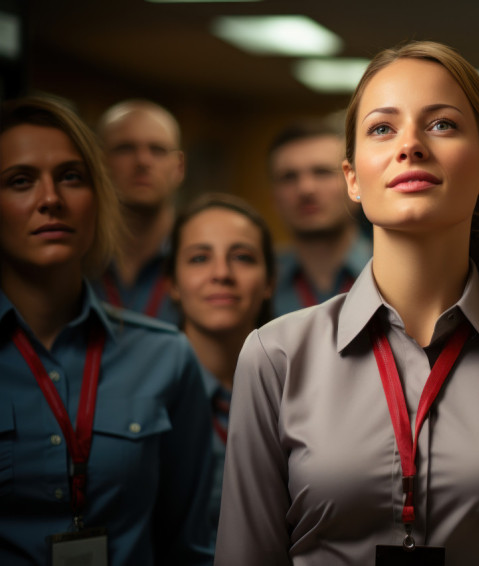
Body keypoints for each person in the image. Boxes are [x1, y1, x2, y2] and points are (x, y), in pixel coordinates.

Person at [215, 41, 479, 565]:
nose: (409, 145)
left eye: (441, 125)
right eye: (383, 128)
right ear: (352, 178)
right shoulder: (275, 356)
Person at [0, 96, 213, 564]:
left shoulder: (164, 355)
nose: (50, 199)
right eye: (20, 181)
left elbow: (192, 547)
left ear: (98, 196)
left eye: (71, 177)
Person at [165, 192, 276, 541]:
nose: (222, 274)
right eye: (200, 258)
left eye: (242, 257)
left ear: (270, 281)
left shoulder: (300, 391)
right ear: (172, 284)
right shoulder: (148, 395)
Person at [93, 99, 185, 323]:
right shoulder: (72, 261)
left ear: (179, 167)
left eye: (158, 150)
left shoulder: (202, 263)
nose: (143, 161)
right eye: (125, 148)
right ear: (98, 161)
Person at [268, 120, 372, 315]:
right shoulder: (259, 285)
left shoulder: (394, 276)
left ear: (354, 184)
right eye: (289, 177)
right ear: (274, 197)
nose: (306, 189)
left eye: (322, 172)